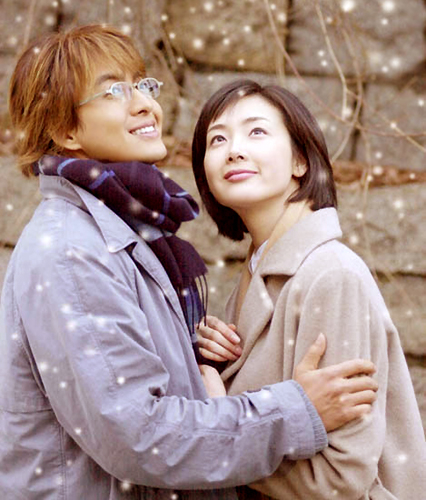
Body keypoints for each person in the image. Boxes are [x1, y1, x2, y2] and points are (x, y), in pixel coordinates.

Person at [0, 26, 378, 500]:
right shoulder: (71, 252)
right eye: (114, 91)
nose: (144, 104)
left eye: (142, 85)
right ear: (65, 131)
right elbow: (139, 436)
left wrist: (191, 356)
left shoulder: (129, 232)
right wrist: (296, 411)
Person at [192, 79, 426, 499]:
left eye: (256, 131)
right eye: (217, 139)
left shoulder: (330, 275)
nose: (234, 150)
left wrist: (217, 422)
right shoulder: (256, 274)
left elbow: (340, 479)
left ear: (300, 160)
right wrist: (207, 362)